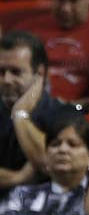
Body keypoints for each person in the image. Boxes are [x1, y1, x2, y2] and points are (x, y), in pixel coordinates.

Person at [0, 114, 89, 215]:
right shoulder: (22, 194)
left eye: (73, 144)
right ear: (46, 155)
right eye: (55, 144)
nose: (63, 150)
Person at [0, 31, 78, 197]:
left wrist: (20, 115)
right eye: (1, 72)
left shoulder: (63, 114)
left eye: (15, 72)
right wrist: (18, 178)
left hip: (44, 214)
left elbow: (50, 164)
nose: (6, 79)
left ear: (40, 74)